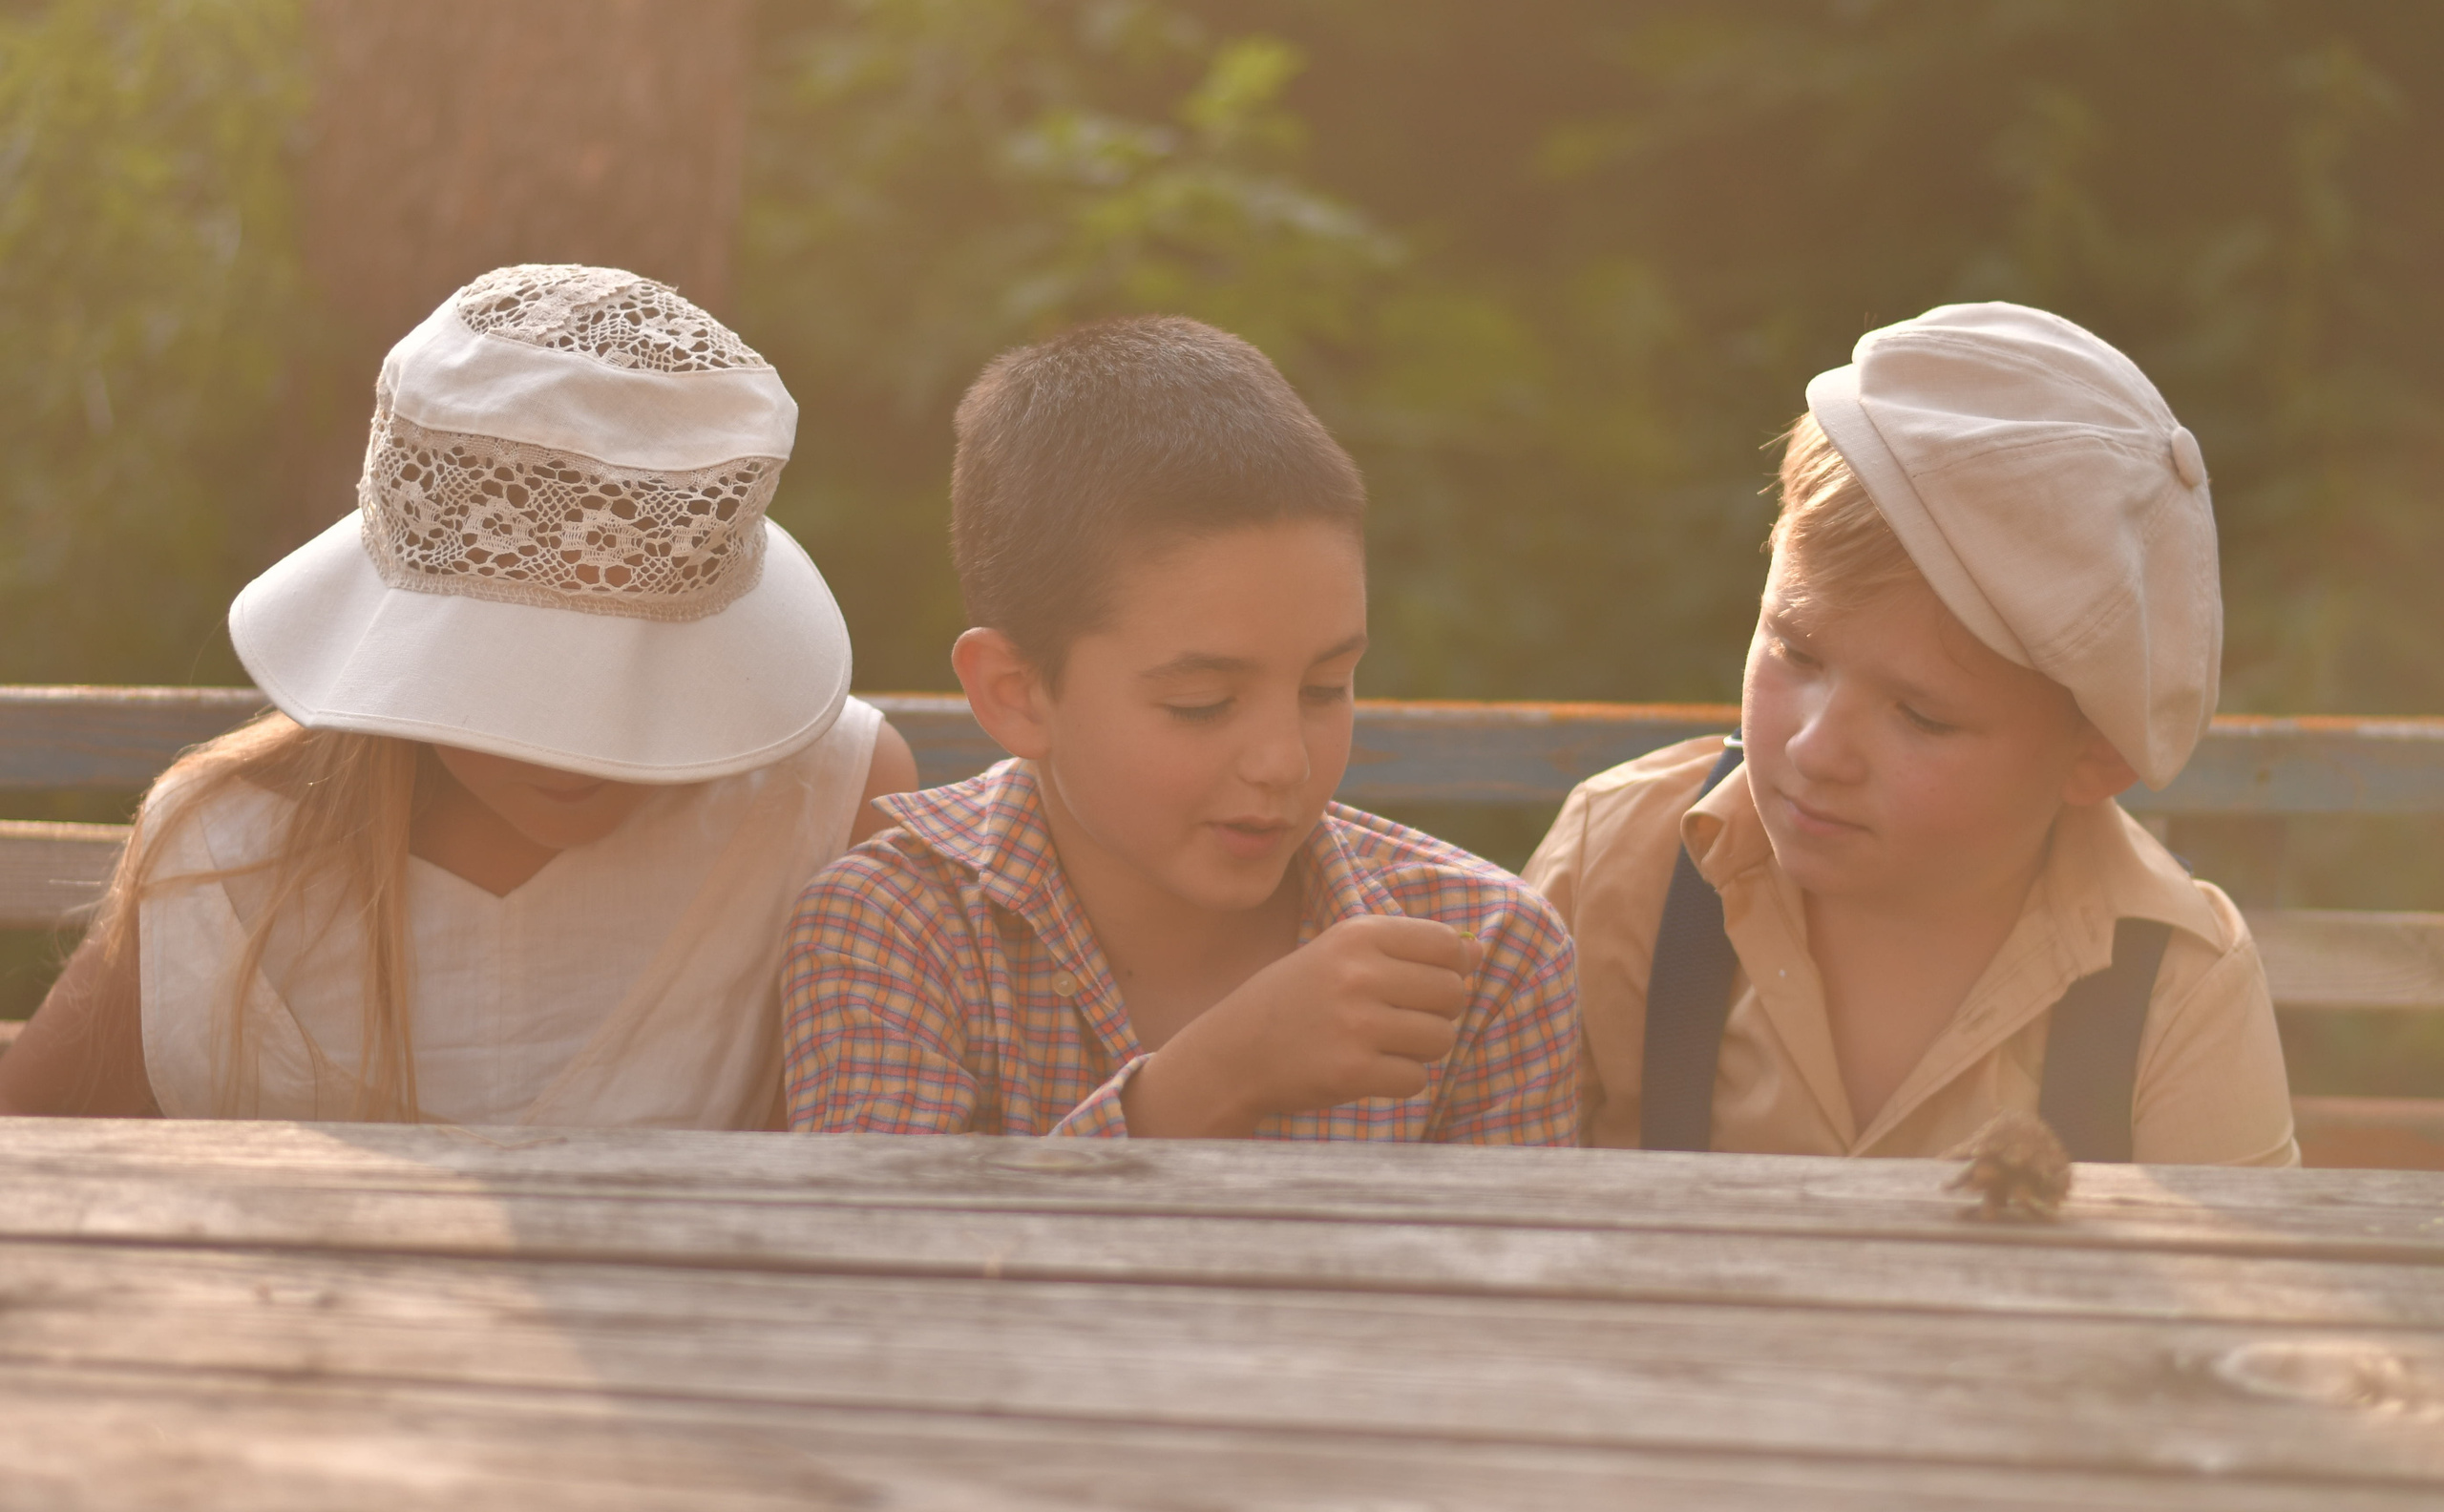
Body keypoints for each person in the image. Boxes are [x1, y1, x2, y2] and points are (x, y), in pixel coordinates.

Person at [0, 263, 916, 1127]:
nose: (574, 736)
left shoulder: (823, 802)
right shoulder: (224, 860)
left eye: (639, 665)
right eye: (517, 671)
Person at [1525, 302, 2297, 1166]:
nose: (1817, 749)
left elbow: (2225, 1291)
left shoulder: (2174, 989)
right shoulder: (1617, 864)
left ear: (2098, 753)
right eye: (1794, 648)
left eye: (1923, 716)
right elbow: (1475, 1217)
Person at [781, 315, 1578, 1141]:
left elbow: (1507, 1268)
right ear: (1018, 693)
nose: (1284, 762)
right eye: (1202, 703)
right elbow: (891, 1258)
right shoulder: (895, 928)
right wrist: (1207, 1084)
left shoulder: (1483, 955)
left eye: (1325, 687)